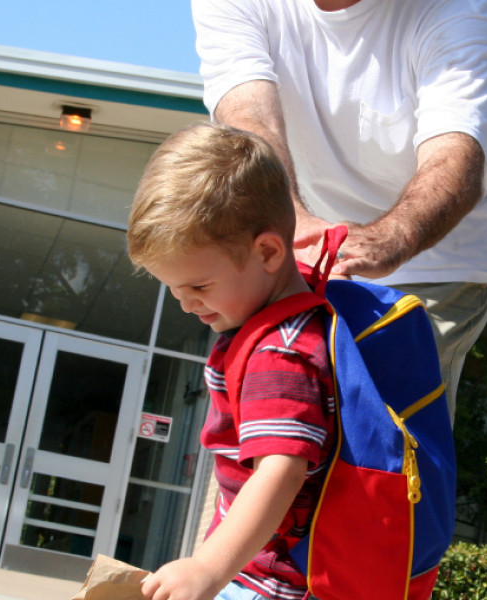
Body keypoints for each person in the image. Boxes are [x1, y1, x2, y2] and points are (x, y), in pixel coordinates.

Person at [191, 0, 487, 419]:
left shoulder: (456, 7)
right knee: (271, 401)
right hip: (300, 225)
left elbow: (454, 161)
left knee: (379, 437)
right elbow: (249, 118)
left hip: (437, 251)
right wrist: (291, 219)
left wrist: (385, 240)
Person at [128, 122, 336, 600]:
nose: (186, 303)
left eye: (198, 287)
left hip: (269, 584)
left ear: (267, 251)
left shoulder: (279, 353)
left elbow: (281, 469)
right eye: (174, 289)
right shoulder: (295, 315)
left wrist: (207, 568)